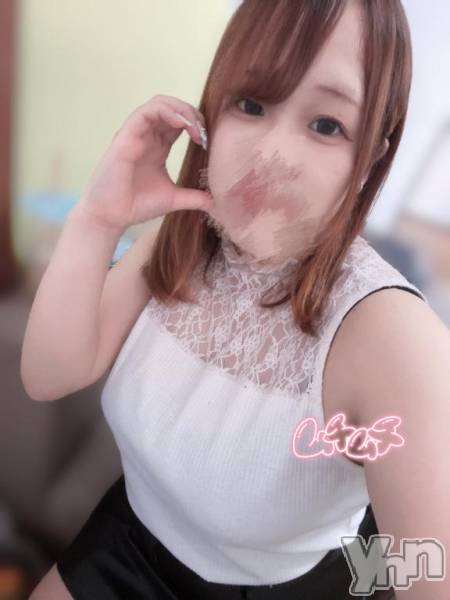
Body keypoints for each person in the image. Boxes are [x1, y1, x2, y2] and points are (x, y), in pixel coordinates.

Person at [23, 0, 450, 598]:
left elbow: (429, 575)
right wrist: (97, 217)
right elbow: (48, 376)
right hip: (129, 541)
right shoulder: (180, 243)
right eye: (251, 104)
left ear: (368, 160)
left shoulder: (392, 336)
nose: (272, 155)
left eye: (327, 125)